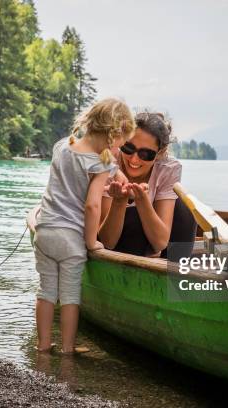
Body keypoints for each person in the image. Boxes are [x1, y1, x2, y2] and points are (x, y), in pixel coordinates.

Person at [34, 98, 135, 353]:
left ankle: (43, 345)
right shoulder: (100, 164)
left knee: (46, 291)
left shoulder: (61, 147)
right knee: (69, 297)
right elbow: (92, 206)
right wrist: (91, 242)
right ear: (114, 135)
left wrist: (118, 174)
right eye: (122, 144)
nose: (120, 150)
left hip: (44, 230)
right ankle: (68, 348)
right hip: (70, 238)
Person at [99, 111, 196, 259]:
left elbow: (161, 243)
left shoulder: (169, 168)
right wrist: (119, 201)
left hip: (152, 241)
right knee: (133, 216)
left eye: (145, 154)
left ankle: (173, 274)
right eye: (128, 148)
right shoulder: (108, 164)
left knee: (185, 208)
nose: (134, 159)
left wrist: (142, 201)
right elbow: (107, 241)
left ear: (160, 152)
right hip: (114, 244)